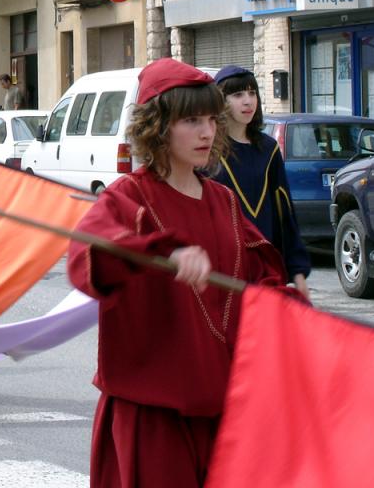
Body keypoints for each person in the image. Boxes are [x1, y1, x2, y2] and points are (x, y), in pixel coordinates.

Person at [67, 58, 288, 487]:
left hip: (224, 414)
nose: (207, 132)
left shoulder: (223, 200)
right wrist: (150, 252)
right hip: (153, 417)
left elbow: (259, 279)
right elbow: (86, 261)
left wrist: (285, 305)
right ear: (158, 126)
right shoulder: (127, 197)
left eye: (211, 119)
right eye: (191, 120)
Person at [211, 66, 311, 301]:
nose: (248, 101)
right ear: (220, 101)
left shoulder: (268, 149)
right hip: (223, 270)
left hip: (265, 268)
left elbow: (285, 214)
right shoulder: (208, 150)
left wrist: (297, 271)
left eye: (252, 93)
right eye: (237, 95)